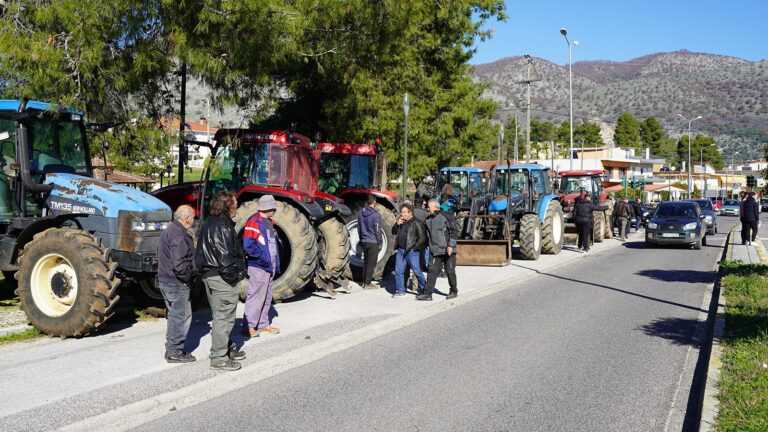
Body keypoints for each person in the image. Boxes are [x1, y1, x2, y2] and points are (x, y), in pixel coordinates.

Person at [196, 191, 247, 371]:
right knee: (224, 318)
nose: (237, 207)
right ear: (228, 205)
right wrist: (236, 277)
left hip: (209, 275)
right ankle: (219, 358)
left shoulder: (208, 222)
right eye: (235, 204)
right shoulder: (223, 225)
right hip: (221, 276)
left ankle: (225, 349)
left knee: (221, 316)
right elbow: (225, 258)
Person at [157, 205, 196, 363]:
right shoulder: (178, 235)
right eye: (193, 217)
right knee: (181, 316)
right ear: (186, 218)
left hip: (166, 279)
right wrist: (189, 277)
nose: (194, 220)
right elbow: (180, 265)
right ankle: (175, 351)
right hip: (176, 282)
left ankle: (172, 348)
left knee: (175, 315)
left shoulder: (170, 229)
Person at [242, 195, 281, 338]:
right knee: (256, 296)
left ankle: (263, 324)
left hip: (269, 266)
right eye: (273, 208)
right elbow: (248, 246)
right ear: (267, 208)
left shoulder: (268, 222)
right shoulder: (254, 222)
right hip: (259, 266)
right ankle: (249, 326)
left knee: (266, 296)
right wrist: (263, 259)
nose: (275, 210)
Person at [424, 199, 458, 301]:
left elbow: (454, 231)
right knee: (432, 271)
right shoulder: (428, 220)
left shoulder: (446, 216)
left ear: (434, 207)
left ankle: (453, 291)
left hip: (448, 250)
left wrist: (451, 245)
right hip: (435, 250)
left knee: (450, 271)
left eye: (428, 207)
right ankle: (428, 294)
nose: (427, 208)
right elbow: (428, 236)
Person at [392, 203, 426, 297]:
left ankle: (424, 288)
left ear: (410, 212)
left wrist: (415, 248)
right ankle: (400, 290)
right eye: (401, 212)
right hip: (401, 251)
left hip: (412, 252)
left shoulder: (417, 222)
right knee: (398, 271)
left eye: (404, 212)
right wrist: (396, 224)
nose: (402, 214)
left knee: (417, 271)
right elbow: (393, 232)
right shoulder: (401, 222)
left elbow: (422, 238)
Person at [357, 194, 382, 289]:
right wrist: (379, 242)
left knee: (366, 262)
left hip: (364, 240)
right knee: (371, 263)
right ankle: (367, 284)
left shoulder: (360, 213)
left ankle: (364, 282)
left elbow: (359, 228)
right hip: (373, 242)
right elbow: (377, 230)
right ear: (374, 202)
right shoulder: (376, 215)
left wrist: (361, 239)